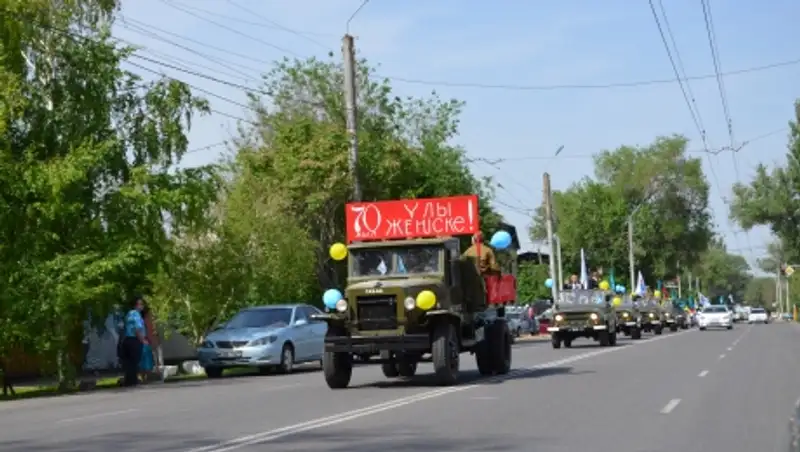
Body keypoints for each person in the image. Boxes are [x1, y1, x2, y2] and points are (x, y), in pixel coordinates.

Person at [121, 296, 148, 387]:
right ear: (136, 305)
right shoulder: (136, 314)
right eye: (140, 304)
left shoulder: (129, 314)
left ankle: (128, 381)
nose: (142, 306)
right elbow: (137, 329)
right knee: (134, 361)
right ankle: (133, 381)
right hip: (134, 340)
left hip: (127, 340)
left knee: (129, 362)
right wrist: (142, 340)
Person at [139, 303, 157, 382]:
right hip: (145, 342)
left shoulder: (139, 320)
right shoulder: (146, 320)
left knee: (142, 360)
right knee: (147, 360)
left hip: (140, 342)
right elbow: (150, 331)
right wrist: (153, 342)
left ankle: (144, 377)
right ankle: (147, 377)